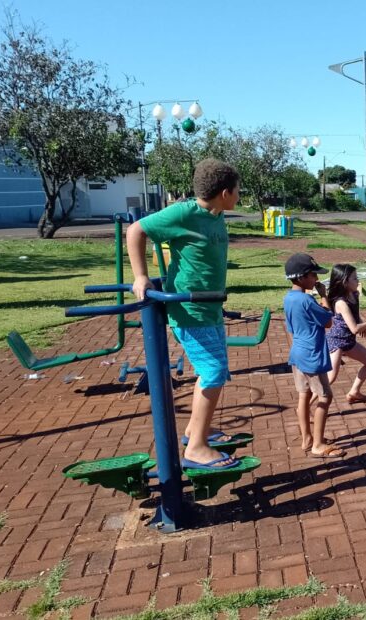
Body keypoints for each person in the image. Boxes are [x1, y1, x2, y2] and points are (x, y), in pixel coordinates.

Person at [127, 158, 241, 470]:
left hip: (210, 306)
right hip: (189, 308)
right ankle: (196, 448)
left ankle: (195, 430)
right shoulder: (184, 213)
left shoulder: (216, 214)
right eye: (237, 190)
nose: (239, 195)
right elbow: (136, 230)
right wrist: (141, 276)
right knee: (213, 371)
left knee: (217, 370)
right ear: (225, 193)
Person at [284, 253, 345, 458]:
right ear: (301, 277)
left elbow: (290, 328)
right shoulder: (307, 300)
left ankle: (307, 439)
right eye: (313, 275)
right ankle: (318, 444)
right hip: (312, 355)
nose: (316, 279)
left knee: (304, 395)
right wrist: (324, 297)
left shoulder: (288, 298)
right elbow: (328, 322)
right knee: (325, 397)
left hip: (297, 353)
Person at [324, 264, 366, 404]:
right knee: (331, 377)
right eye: (354, 278)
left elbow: (355, 317)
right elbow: (354, 328)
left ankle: (354, 392)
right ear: (344, 282)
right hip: (337, 341)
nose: (358, 281)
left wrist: (362, 323)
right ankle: (307, 404)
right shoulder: (341, 303)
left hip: (348, 341)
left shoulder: (354, 295)